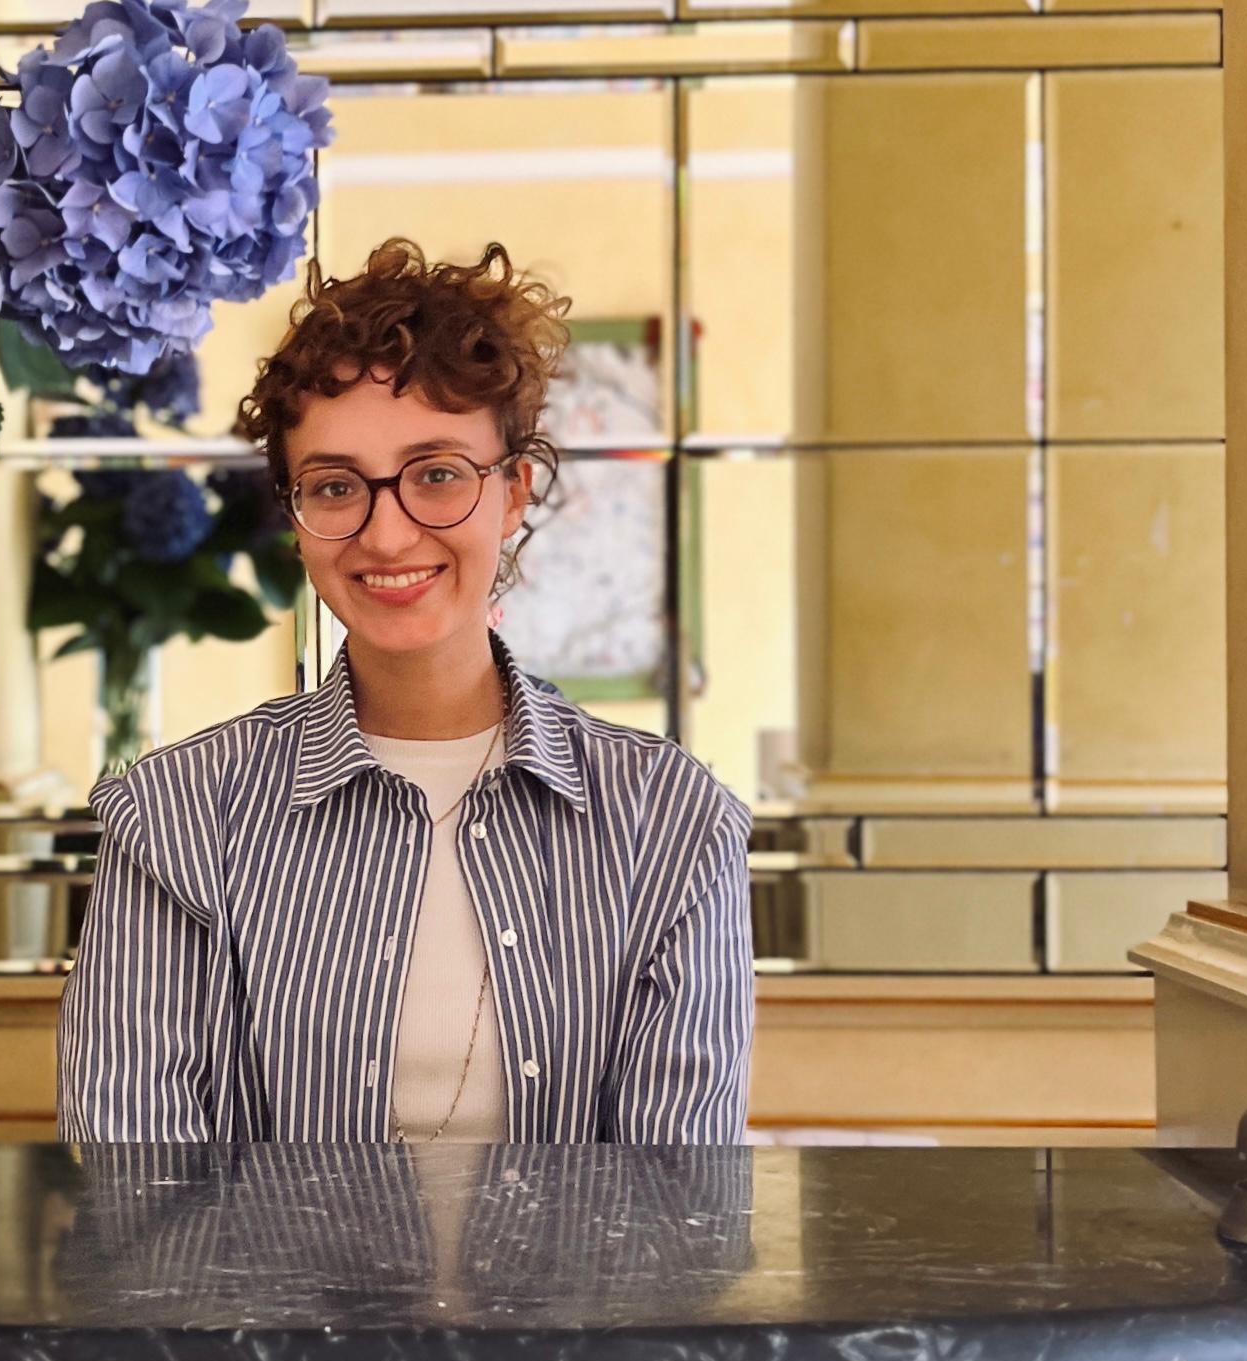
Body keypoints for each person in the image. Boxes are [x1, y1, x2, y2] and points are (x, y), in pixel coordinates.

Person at [57, 238, 753, 1142]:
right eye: (335, 486)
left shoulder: (674, 823)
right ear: (294, 516)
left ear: (514, 493)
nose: (386, 536)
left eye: (437, 474)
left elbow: (679, 1198)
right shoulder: (176, 819)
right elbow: (136, 1184)